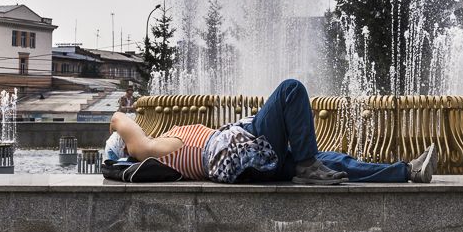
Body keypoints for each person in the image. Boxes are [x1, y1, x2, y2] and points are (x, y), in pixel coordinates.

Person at [108, 78, 436, 185]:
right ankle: (307, 164)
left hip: (250, 161)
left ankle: (407, 170)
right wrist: (115, 138)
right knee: (290, 90)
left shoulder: (167, 143)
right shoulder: (145, 148)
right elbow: (119, 120)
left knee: (335, 162)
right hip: (233, 154)